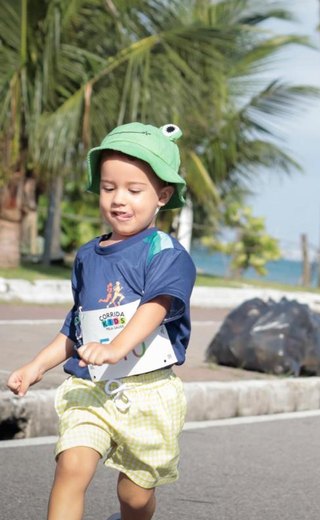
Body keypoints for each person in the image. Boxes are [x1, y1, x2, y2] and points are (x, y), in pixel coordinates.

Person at [5, 122, 196, 520]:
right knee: (71, 467)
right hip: (90, 389)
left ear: (162, 195)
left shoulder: (166, 253)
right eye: (109, 188)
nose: (118, 200)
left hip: (147, 391)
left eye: (133, 190)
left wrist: (115, 348)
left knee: (135, 496)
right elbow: (77, 325)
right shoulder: (88, 255)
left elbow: (155, 308)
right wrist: (37, 365)